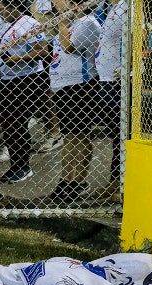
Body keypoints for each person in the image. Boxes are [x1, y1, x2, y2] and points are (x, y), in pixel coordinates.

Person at [0, 0, 49, 183]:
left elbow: (43, 50)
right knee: (8, 124)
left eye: (2, 10)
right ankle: (16, 164)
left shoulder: (29, 23)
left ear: (12, 7)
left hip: (27, 78)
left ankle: (23, 166)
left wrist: (19, 58)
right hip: (7, 78)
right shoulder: (3, 26)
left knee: (17, 122)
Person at [48, 0, 101, 201]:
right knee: (69, 136)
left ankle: (79, 180)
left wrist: (61, 23)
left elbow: (69, 47)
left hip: (81, 84)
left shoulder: (88, 23)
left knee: (80, 135)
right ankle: (66, 179)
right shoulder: (71, 23)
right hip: (64, 85)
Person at [95, 0, 126, 202]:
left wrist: (127, 66)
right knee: (114, 134)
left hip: (118, 79)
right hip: (106, 78)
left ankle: (123, 183)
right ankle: (115, 180)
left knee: (122, 133)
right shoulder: (107, 7)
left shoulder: (127, 5)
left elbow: (138, 33)